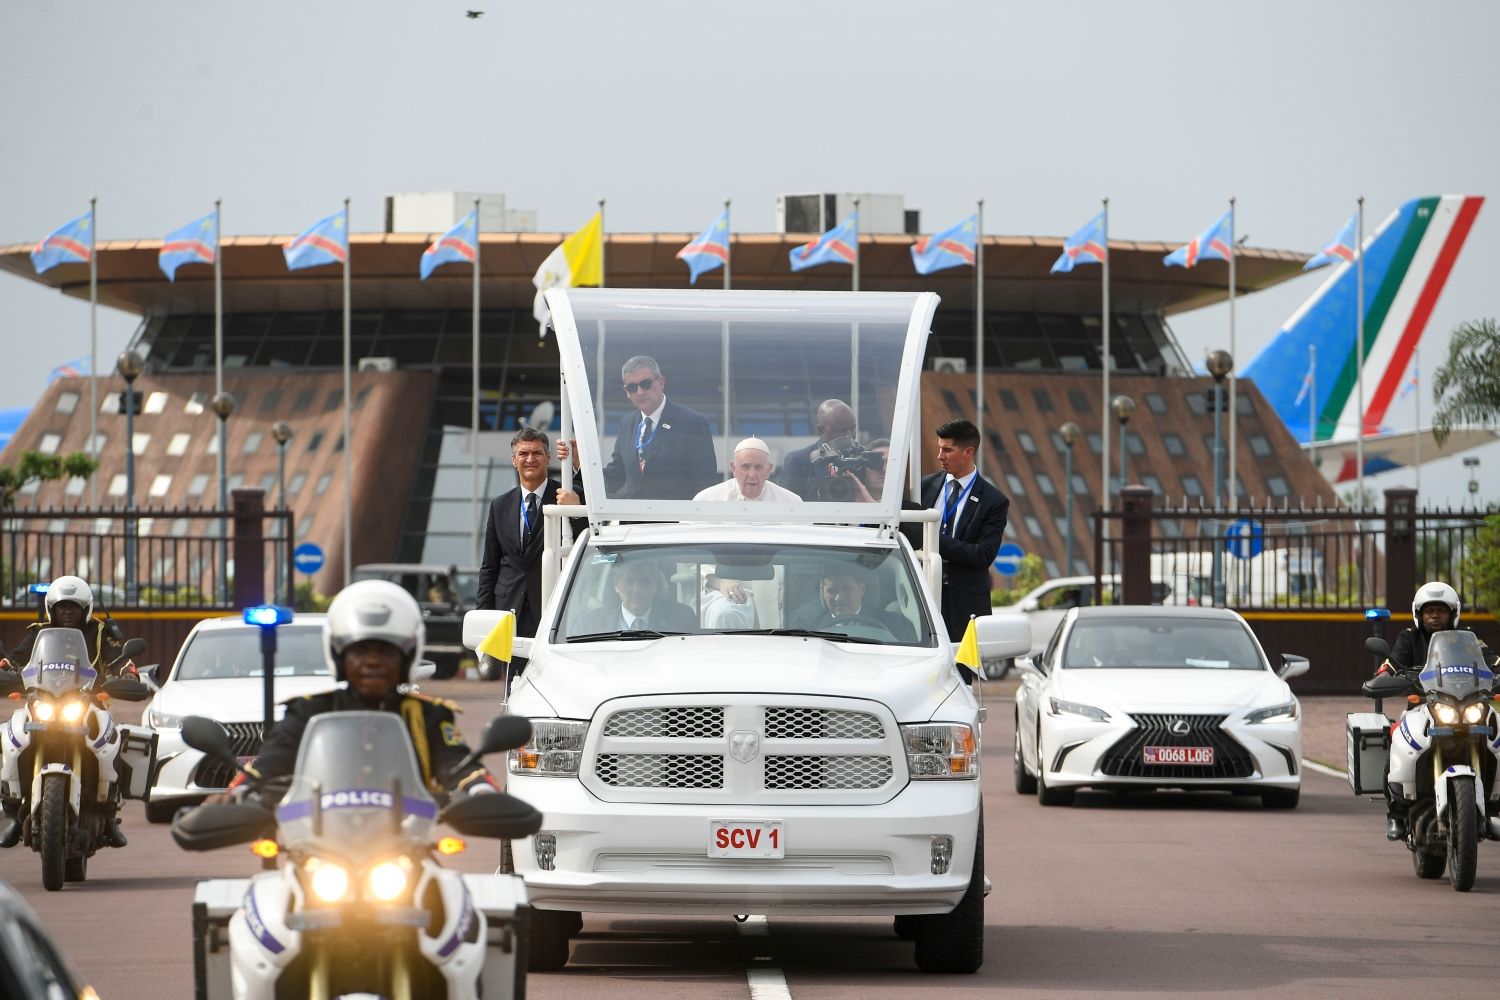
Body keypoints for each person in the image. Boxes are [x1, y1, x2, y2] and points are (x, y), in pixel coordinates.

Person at [224, 580, 499, 799]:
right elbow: (271, 763)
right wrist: (241, 789)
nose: (372, 660)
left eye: (385, 651)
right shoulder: (309, 711)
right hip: (320, 839)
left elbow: (457, 764)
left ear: (406, 657)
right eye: (360, 650)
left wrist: (480, 789)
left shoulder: (429, 715)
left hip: (408, 840)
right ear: (339, 656)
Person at [1372, 580, 1498, 840]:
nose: (1435, 616)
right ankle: (1396, 812)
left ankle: (1493, 802)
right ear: (1419, 614)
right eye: (1429, 611)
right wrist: (1385, 673)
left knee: (1496, 732)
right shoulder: (1409, 637)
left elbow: (1491, 659)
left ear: (1453, 613)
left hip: (1468, 703)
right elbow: (1394, 662)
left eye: (1441, 610)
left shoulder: (1469, 638)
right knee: (1398, 737)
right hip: (1422, 705)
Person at [902, 419, 1009, 680]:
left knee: (960, 680)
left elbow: (982, 555)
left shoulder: (993, 501)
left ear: (968, 452)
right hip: (921, 598)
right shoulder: (924, 487)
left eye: (947, 450)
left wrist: (933, 538)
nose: (940, 456)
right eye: (939, 448)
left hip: (964, 606)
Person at [476, 428, 583, 683]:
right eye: (523, 453)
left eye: (537, 453)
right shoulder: (500, 504)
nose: (530, 459)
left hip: (554, 609)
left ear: (548, 458)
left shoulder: (566, 495)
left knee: (555, 685)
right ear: (514, 460)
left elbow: (585, 543)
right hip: (511, 613)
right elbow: (490, 566)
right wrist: (483, 618)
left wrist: (577, 511)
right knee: (515, 688)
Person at [561, 355, 717, 500]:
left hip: (674, 524)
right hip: (633, 524)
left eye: (646, 384)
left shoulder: (692, 423)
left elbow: (705, 484)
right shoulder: (627, 424)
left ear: (661, 382)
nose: (640, 392)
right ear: (626, 392)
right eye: (632, 387)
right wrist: (580, 464)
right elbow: (615, 477)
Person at [1, 575, 135, 679]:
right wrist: (5, 666)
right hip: (43, 696)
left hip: (90, 697)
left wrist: (128, 673)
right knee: (19, 715)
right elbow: (15, 659)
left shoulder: (99, 631)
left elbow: (118, 660)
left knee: (104, 716)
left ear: (85, 609)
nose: (68, 611)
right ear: (52, 610)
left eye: (74, 606)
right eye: (62, 606)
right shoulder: (40, 632)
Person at [572, 558, 697, 635]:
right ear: (616, 585)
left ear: (655, 585)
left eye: (644, 582)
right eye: (629, 581)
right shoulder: (589, 625)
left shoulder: (681, 618)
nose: (636, 590)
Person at [789, 568, 915, 643]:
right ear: (822, 592)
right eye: (832, 591)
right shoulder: (804, 625)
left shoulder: (892, 624)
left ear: (862, 589)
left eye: (847, 589)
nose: (839, 598)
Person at [776, 399, 857, 500]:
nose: (850, 435)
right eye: (841, 431)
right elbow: (787, 505)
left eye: (853, 428)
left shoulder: (862, 458)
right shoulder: (798, 461)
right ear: (820, 430)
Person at [694, 438, 803, 503]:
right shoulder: (707, 500)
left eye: (759, 467)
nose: (752, 474)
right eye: (745, 467)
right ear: (734, 468)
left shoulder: (791, 502)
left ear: (769, 470)